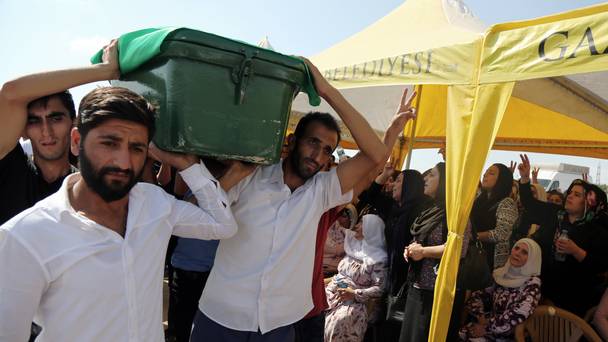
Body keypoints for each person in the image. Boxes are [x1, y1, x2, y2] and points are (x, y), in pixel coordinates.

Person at [0, 74, 248, 341]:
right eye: (109, 143)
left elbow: (222, 224)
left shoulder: (154, 203)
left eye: (136, 148)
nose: (124, 162)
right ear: (76, 141)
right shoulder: (25, 236)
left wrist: (187, 164)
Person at [190, 59, 391, 341]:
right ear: (293, 140)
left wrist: (328, 92)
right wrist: (234, 173)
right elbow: (197, 215)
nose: (317, 156)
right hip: (222, 316)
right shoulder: (250, 174)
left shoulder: (322, 191)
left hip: (278, 325)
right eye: (312, 142)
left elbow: (377, 154)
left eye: (326, 150)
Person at [517, 154, 608, 316]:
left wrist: (576, 251)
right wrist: (524, 179)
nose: (570, 196)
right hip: (542, 289)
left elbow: (599, 266)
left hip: (573, 299)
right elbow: (530, 205)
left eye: (577, 195)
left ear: (589, 203)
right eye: (570, 192)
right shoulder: (555, 214)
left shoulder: (597, 231)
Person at [399, 162, 471, 342]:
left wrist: (423, 251)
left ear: (446, 181)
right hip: (417, 285)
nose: (425, 178)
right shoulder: (432, 209)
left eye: (432, 175)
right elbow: (421, 237)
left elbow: (458, 249)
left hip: (436, 293)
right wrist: (411, 249)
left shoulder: (455, 213)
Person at [459, 238, 542, 341]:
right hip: (487, 326)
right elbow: (477, 295)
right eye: (516, 248)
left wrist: (487, 328)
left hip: (509, 336)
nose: (517, 253)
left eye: (524, 252)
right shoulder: (502, 274)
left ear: (532, 259)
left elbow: (518, 314)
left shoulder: (532, 284)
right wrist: (481, 317)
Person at [324, 214, 388, 342]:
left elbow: (379, 288)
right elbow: (342, 277)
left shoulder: (378, 259)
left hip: (356, 301)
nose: (356, 226)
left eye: (361, 224)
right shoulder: (355, 248)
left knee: (340, 321)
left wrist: (354, 294)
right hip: (335, 293)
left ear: (370, 230)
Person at [471, 163, 518, 270]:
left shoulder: (507, 203)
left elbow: (501, 234)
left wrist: (474, 236)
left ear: (502, 180)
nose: (485, 175)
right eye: (485, 172)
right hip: (472, 256)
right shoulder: (479, 199)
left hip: (489, 260)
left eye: (491, 173)